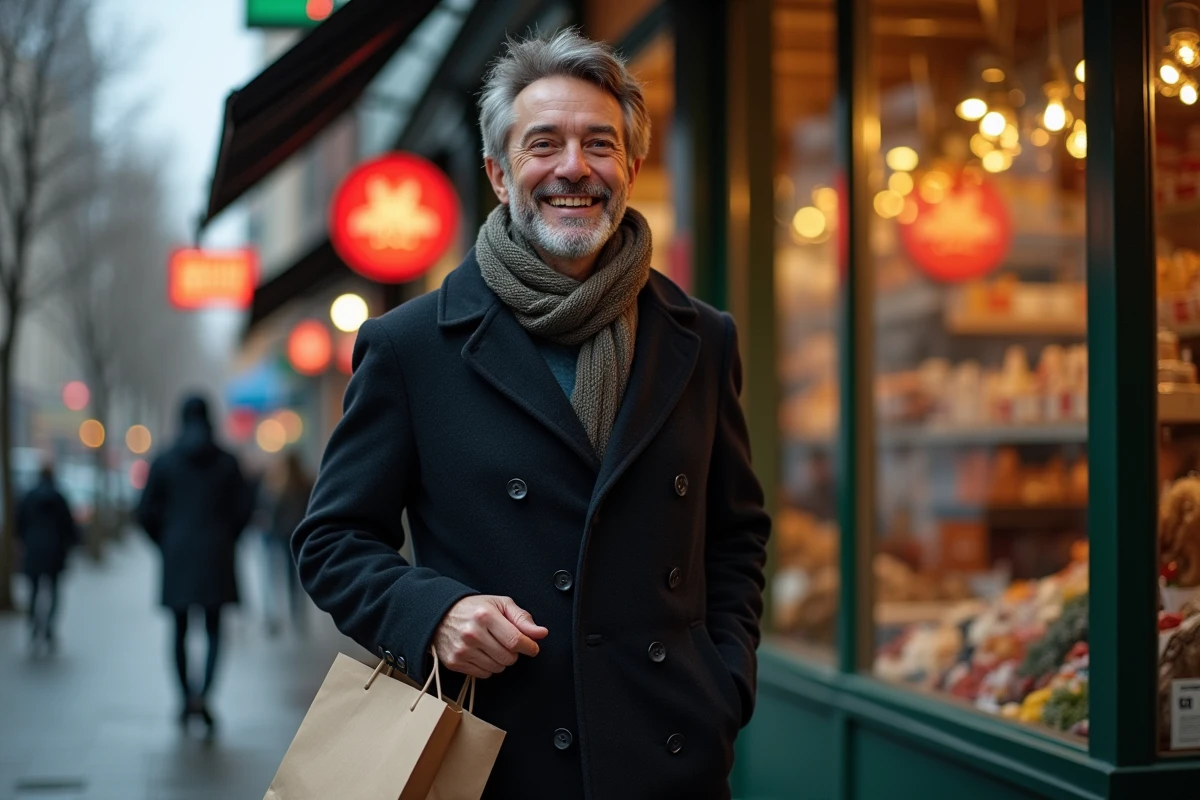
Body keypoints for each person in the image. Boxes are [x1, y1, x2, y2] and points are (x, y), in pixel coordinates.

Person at [293, 29, 770, 799]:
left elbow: (735, 536)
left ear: (632, 168)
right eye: (543, 143)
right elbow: (331, 540)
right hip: (497, 760)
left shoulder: (701, 338)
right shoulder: (412, 346)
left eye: (599, 144)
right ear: (498, 172)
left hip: (669, 757)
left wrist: (724, 686)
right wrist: (434, 613)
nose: (573, 167)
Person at [137, 395, 253, 735]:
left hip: (178, 555)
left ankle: (185, 697)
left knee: (179, 629)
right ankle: (204, 696)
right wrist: (226, 537)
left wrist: (166, 542)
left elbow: (144, 511)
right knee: (215, 630)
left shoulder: (164, 460)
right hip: (217, 554)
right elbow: (245, 508)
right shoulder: (227, 462)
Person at [15, 460, 80, 652]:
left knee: (33, 591)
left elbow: (19, 523)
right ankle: (49, 626)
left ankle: (34, 626)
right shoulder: (59, 498)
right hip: (55, 551)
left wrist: (24, 542)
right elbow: (69, 526)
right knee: (54, 591)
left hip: (33, 550)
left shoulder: (28, 497)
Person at [261, 451, 311, 635]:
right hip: (297, 535)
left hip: (279, 535)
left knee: (273, 576)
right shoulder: (306, 484)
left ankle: (274, 617)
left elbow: (270, 511)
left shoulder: (276, 484)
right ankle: (296, 614)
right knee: (294, 577)